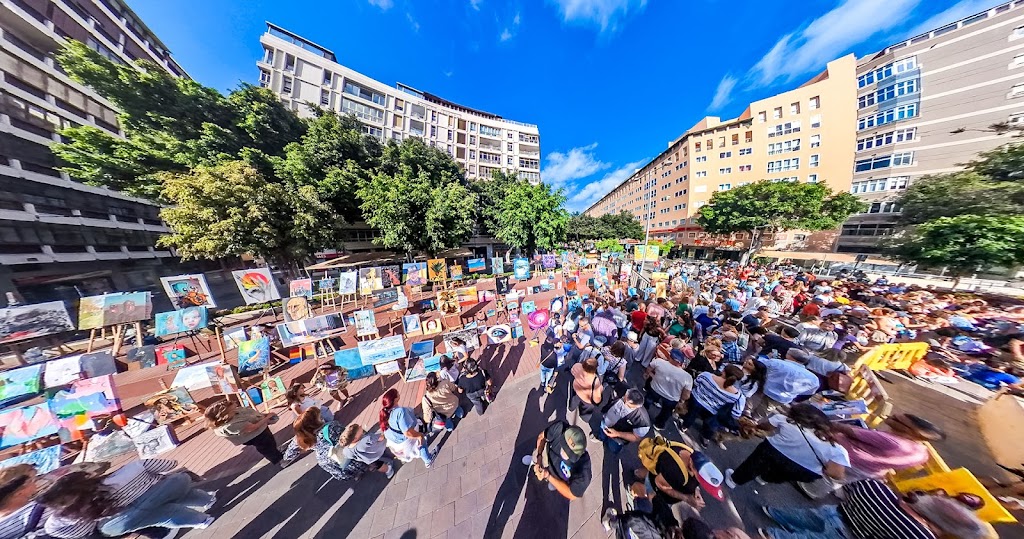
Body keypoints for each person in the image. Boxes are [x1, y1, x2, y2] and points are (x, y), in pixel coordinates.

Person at [38, 460, 215, 538]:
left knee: (158, 513)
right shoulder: (131, 468)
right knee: (173, 486)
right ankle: (207, 500)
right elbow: (170, 464)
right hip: (171, 487)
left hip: (125, 520)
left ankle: (201, 519)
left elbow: (68, 531)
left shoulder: (68, 514)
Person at [759, 479, 938, 539]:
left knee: (804, 516)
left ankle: (774, 513)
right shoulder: (919, 534)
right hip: (847, 534)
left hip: (835, 511)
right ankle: (772, 534)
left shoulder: (877, 488)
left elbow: (847, 490)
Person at [725, 404, 849, 488]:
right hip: (805, 470)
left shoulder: (783, 419)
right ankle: (765, 478)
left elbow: (765, 427)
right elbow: (836, 474)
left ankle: (734, 480)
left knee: (753, 465)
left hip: (773, 450)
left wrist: (755, 427)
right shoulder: (837, 448)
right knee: (782, 475)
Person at [525, 420, 592, 500]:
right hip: (549, 458)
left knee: (555, 484)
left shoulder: (584, 471)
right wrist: (539, 459)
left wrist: (548, 476)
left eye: (570, 453)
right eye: (564, 447)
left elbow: (572, 494)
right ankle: (534, 463)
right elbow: (542, 437)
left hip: (560, 478)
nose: (565, 454)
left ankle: (554, 483)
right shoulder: (559, 428)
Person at [681, 366, 747, 445]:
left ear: (723, 372)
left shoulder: (706, 376)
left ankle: (685, 426)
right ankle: (705, 437)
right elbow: (735, 412)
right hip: (712, 410)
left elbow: (696, 382)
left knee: (691, 414)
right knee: (712, 422)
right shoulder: (736, 395)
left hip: (696, 401)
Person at [204, 401, 283, 465]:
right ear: (224, 413)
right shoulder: (230, 425)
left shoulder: (234, 413)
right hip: (254, 436)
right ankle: (279, 460)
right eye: (231, 407)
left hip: (261, 430)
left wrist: (263, 416)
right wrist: (267, 418)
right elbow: (252, 428)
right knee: (265, 447)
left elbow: (250, 414)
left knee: (270, 442)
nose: (234, 406)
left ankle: (276, 452)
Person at [380, 388, 435, 468]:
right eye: (397, 393)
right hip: (404, 441)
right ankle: (428, 460)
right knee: (421, 441)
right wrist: (419, 436)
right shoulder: (400, 412)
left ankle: (406, 457)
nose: (399, 393)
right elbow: (407, 432)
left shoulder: (386, 412)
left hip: (394, 443)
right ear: (395, 399)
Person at [645, 348, 694, 430]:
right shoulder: (687, 377)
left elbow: (649, 369)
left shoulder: (659, 362)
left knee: (648, 400)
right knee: (666, 412)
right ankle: (658, 424)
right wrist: (681, 400)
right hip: (672, 398)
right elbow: (686, 395)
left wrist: (653, 377)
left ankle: (643, 411)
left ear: (670, 357)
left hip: (655, 389)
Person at [590, 389, 651, 454]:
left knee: (613, 447)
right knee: (602, 432)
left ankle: (613, 450)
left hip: (618, 438)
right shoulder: (620, 389)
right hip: (605, 423)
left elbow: (637, 437)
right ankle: (601, 437)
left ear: (637, 406)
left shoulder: (643, 421)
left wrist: (617, 434)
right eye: (624, 398)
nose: (623, 402)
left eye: (628, 404)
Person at [569, 357, 604, 422]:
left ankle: (571, 408)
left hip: (576, 389)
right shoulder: (595, 380)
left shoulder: (577, 366)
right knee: (586, 410)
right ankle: (584, 418)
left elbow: (572, 371)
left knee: (573, 400)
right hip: (586, 399)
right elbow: (596, 399)